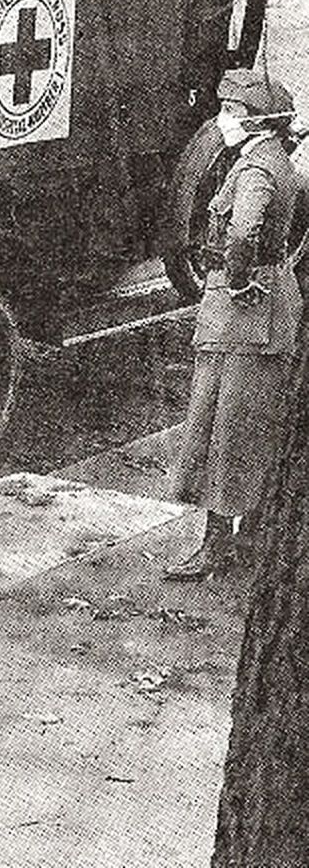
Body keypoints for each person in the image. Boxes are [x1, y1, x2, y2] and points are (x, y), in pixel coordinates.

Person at [166, 69, 304, 581]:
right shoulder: (273, 159)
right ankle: (246, 537)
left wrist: (239, 280)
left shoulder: (256, 170)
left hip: (245, 315)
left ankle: (216, 545)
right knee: (249, 426)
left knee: (226, 429)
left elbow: (244, 231)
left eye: (231, 111)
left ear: (257, 121)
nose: (223, 119)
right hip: (260, 313)